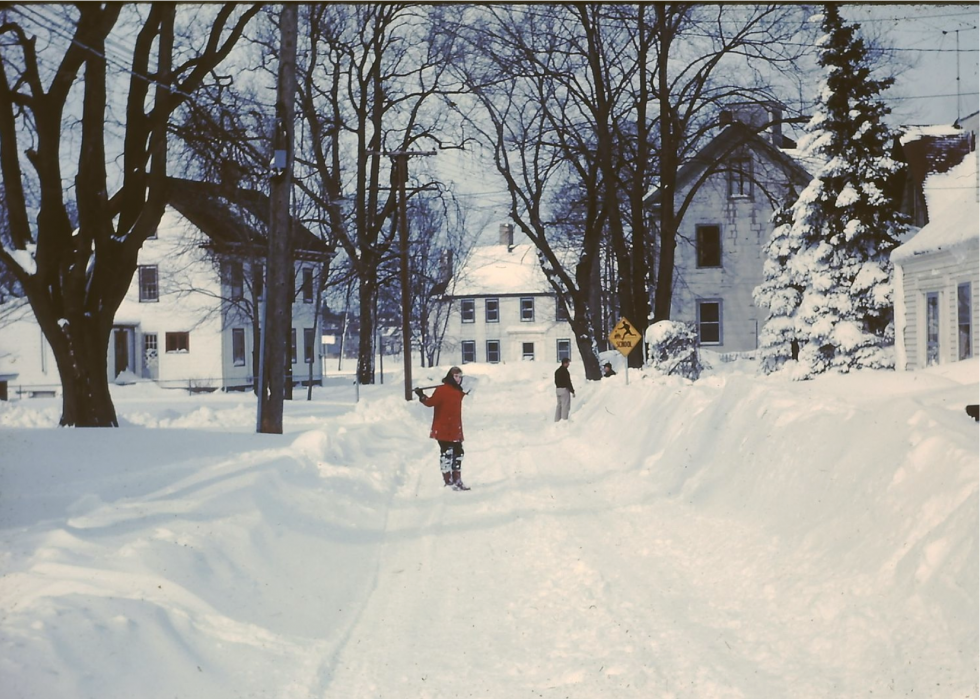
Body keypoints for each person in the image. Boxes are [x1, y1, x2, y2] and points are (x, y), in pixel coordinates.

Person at [415, 367, 470, 491]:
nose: (459, 379)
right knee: (447, 454)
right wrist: (422, 396)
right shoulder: (441, 390)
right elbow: (430, 403)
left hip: (455, 428)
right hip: (443, 428)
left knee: (459, 453)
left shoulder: (457, 391)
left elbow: (463, 393)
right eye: (456, 376)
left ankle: (457, 480)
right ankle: (448, 482)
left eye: (460, 377)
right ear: (450, 377)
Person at [554, 357, 575, 421]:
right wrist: (572, 391)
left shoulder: (557, 371)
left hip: (558, 389)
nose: (569, 364)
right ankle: (564, 420)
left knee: (559, 405)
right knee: (565, 406)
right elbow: (568, 382)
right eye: (568, 363)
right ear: (565, 363)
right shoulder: (565, 371)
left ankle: (557, 420)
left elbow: (555, 381)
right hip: (564, 389)